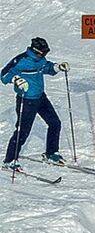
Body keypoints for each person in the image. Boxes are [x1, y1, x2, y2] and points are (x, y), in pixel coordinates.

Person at [1, 37, 69, 168]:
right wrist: (16, 79)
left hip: (40, 97)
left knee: (55, 123)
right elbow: (4, 75)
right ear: (36, 51)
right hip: (26, 100)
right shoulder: (21, 60)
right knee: (23, 131)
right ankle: (9, 160)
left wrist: (57, 67)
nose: (45, 55)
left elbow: (47, 67)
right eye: (43, 53)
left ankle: (51, 152)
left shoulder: (40, 59)